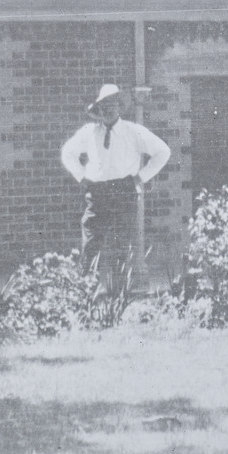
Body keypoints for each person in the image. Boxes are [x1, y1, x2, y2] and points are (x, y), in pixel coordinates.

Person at [60, 84, 171, 296]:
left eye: (113, 104)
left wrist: (140, 177)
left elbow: (163, 152)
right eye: (104, 105)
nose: (109, 109)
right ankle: (83, 291)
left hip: (124, 191)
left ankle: (118, 294)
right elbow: (68, 153)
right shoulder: (89, 132)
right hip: (97, 193)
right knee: (91, 242)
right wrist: (81, 176)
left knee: (122, 243)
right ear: (99, 109)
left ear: (120, 106)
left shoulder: (133, 131)